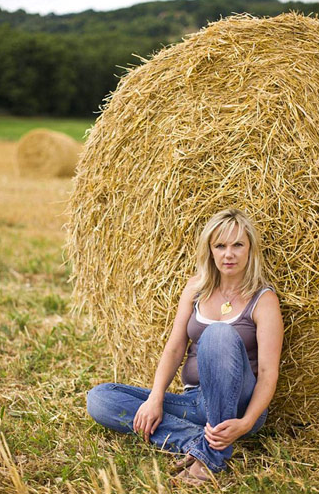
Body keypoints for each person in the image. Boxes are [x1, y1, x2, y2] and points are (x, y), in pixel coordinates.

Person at [87, 208, 284, 485]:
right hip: (194, 402)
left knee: (218, 334)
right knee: (100, 398)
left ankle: (211, 459)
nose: (229, 254)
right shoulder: (196, 289)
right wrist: (156, 397)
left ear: (250, 250)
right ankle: (197, 440)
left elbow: (267, 372)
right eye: (220, 246)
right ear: (210, 251)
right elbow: (174, 348)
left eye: (238, 245)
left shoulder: (263, 299)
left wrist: (247, 422)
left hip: (239, 407)